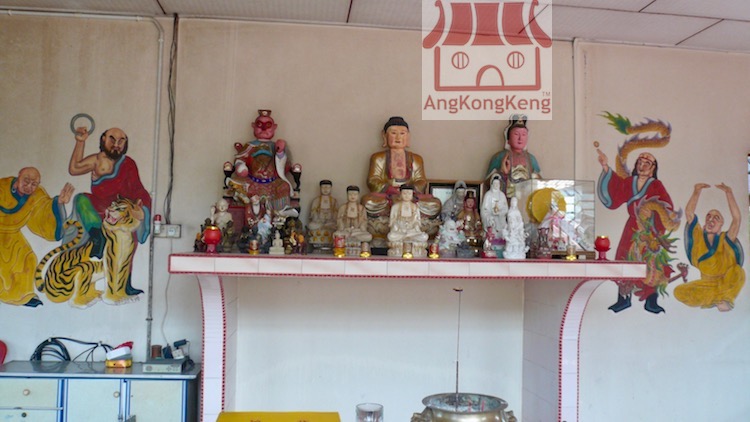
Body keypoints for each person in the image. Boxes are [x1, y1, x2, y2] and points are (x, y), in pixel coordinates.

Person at [68, 126, 151, 299]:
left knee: (129, 243)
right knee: (81, 199)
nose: (116, 144)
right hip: (100, 208)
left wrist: (141, 208)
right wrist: (80, 142)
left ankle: (125, 283)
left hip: (121, 210)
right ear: (103, 139)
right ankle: (96, 235)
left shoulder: (129, 164)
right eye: (112, 139)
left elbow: (138, 189)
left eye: (121, 141)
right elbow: (74, 169)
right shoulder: (97, 160)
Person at [597, 149, 679, 313]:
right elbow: (615, 194)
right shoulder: (629, 182)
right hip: (632, 227)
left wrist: (656, 214)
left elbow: (667, 206)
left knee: (652, 262)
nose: (642, 166)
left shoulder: (656, 185)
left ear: (653, 168)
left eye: (647, 163)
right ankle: (623, 298)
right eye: (640, 163)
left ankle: (651, 300)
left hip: (650, 229)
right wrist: (605, 166)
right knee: (624, 258)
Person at [0, 167, 74, 307]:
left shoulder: (37, 194)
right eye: (26, 181)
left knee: (28, 259)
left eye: (34, 184)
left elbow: (43, 214)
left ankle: (22, 296)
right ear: (18, 177)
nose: (29, 187)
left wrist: (59, 203)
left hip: (12, 234)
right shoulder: (2, 186)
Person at [674, 183, 745, 311]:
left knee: (738, 272)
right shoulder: (698, 237)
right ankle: (717, 299)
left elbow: (737, 219)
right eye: (709, 216)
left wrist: (729, 193)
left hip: (725, 282)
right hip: (707, 285)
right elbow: (689, 212)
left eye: (716, 218)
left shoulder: (726, 239)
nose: (711, 220)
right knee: (679, 292)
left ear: (721, 225)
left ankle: (724, 298)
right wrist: (697, 191)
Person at [362, 116, 441, 221]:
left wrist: (408, 191)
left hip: (410, 196)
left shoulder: (416, 158)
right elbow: (372, 180)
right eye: (393, 133)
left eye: (402, 133)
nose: (398, 137)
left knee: (435, 204)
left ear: (408, 136)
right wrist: (391, 190)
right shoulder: (378, 157)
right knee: (368, 202)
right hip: (387, 196)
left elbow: (421, 181)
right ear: (384, 136)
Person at [230, 109, 295, 211]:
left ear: (274, 127)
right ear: (253, 126)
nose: (264, 128)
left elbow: (285, 166)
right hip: (253, 181)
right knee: (237, 184)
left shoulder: (275, 146)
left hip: (272, 183)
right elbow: (240, 159)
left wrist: (280, 153)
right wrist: (240, 166)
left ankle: (278, 215)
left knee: (284, 186)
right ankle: (250, 212)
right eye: (259, 125)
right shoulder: (250, 145)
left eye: (268, 125)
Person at [486, 114, 541, 198]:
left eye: (524, 134)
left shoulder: (531, 159)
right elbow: (487, 182)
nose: (520, 138)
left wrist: (534, 178)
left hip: (526, 199)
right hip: (505, 199)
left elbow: (540, 184)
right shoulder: (499, 157)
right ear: (508, 139)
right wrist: (502, 174)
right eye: (516, 134)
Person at [481, 174, 509, 242]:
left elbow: (506, 209)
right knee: (492, 233)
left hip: (500, 219)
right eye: (495, 183)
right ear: (492, 184)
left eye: (498, 183)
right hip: (492, 219)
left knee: (503, 233)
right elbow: (484, 210)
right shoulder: (488, 195)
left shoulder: (502, 195)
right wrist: (489, 217)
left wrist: (500, 213)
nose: (496, 185)